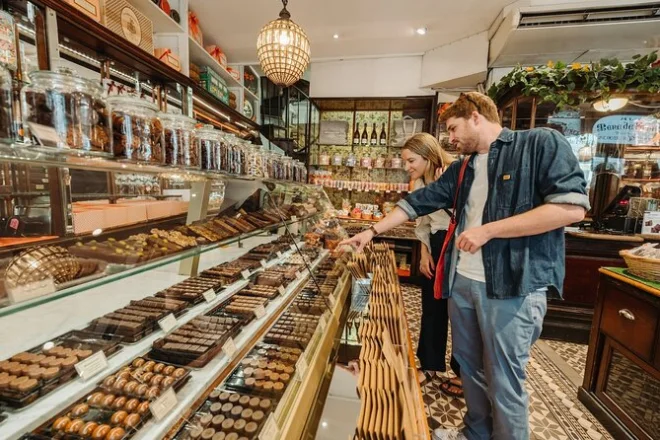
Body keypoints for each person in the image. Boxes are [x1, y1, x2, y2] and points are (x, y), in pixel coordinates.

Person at [340, 92, 589, 440]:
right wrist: (370, 232)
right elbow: (417, 203)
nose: (451, 139)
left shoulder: (538, 143)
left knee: (504, 378)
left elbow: (571, 208)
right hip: (463, 282)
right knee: (470, 369)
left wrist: (489, 230)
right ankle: (475, 434)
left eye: (454, 129)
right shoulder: (463, 169)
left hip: (512, 286)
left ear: (475, 116)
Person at [403, 133, 463, 397]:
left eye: (411, 161)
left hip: (460, 244)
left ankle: (462, 372)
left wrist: (443, 188)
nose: (407, 167)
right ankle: (429, 365)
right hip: (436, 243)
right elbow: (422, 222)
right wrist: (425, 254)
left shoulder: (454, 172)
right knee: (432, 306)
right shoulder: (419, 184)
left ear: (428, 156)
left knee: (460, 311)